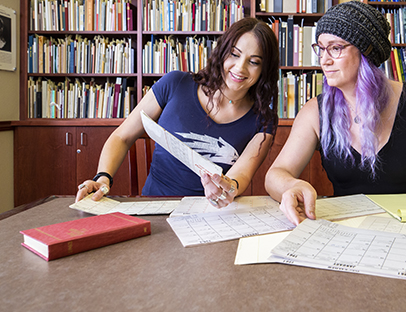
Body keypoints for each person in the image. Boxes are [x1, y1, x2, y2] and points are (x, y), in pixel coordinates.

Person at [265, 1, 406, 225]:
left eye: (335, 48)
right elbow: (276, 173)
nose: (324, 60)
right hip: (347, 232)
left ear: (367, 51)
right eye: (321, 49)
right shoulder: (315, 112)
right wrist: (290, 186)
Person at [76, 17, 280, 207]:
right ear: (222, 52)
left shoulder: (264, 119)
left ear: (264, 70)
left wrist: (227, 188)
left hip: (212, 215)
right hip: (154, 207)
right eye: (234, 54)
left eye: (254, 62)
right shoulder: (175, 84)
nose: (240, 67)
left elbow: (241, 174)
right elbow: (122, 136)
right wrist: (102, 177)